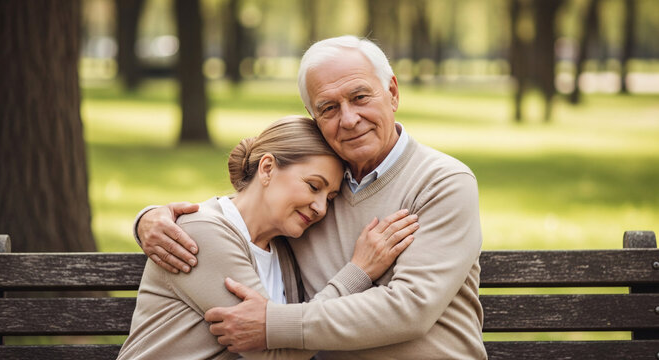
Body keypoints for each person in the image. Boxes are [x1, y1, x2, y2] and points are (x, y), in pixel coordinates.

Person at [135, 35, 486, 359]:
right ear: (315, 118)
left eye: (360, 97)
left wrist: (273, 325)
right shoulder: (307, 204)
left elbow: (411, 308)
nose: (349, 119)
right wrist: (151, 219)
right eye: (328, 108)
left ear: (392, 92)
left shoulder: (443, 182)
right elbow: (238, 213)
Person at [119, 116, 419, 359]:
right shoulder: (201, 233)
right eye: (314, 186)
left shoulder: (284, 250)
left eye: (330, 198)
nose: (319, 208)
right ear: (267, 168)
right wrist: (359, 272)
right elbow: (275, 354)